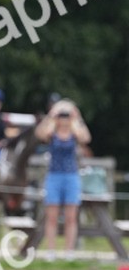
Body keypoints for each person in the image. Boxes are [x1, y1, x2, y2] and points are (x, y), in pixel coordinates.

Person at [34, 99, 91, 254]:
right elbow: (39, 134)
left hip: (71, 176)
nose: (64, 119)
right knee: (51, 217)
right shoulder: (51, 133)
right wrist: (50, 115)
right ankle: (51, 251)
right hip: (54, 176)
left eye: (66, 116)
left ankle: (69, 251)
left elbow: (86, 138)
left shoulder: (74, 133)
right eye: (61, 116)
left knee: (71, 217)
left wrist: (78, 117)